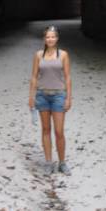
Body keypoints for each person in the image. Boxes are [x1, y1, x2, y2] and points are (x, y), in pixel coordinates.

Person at [28, 25, 72, 174]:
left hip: (59, 95)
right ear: (44, 39)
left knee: (59, 132)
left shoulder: (64, 55)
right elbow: (34, 76)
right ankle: (48, 162)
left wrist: (68, 98)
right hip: (42, 96)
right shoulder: (38, 55)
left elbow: (67, 77)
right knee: (46, 130)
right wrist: (31, 97)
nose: (50, 39)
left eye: (53, 37)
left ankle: (62, 162)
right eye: (48, 37)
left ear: (57, 38)